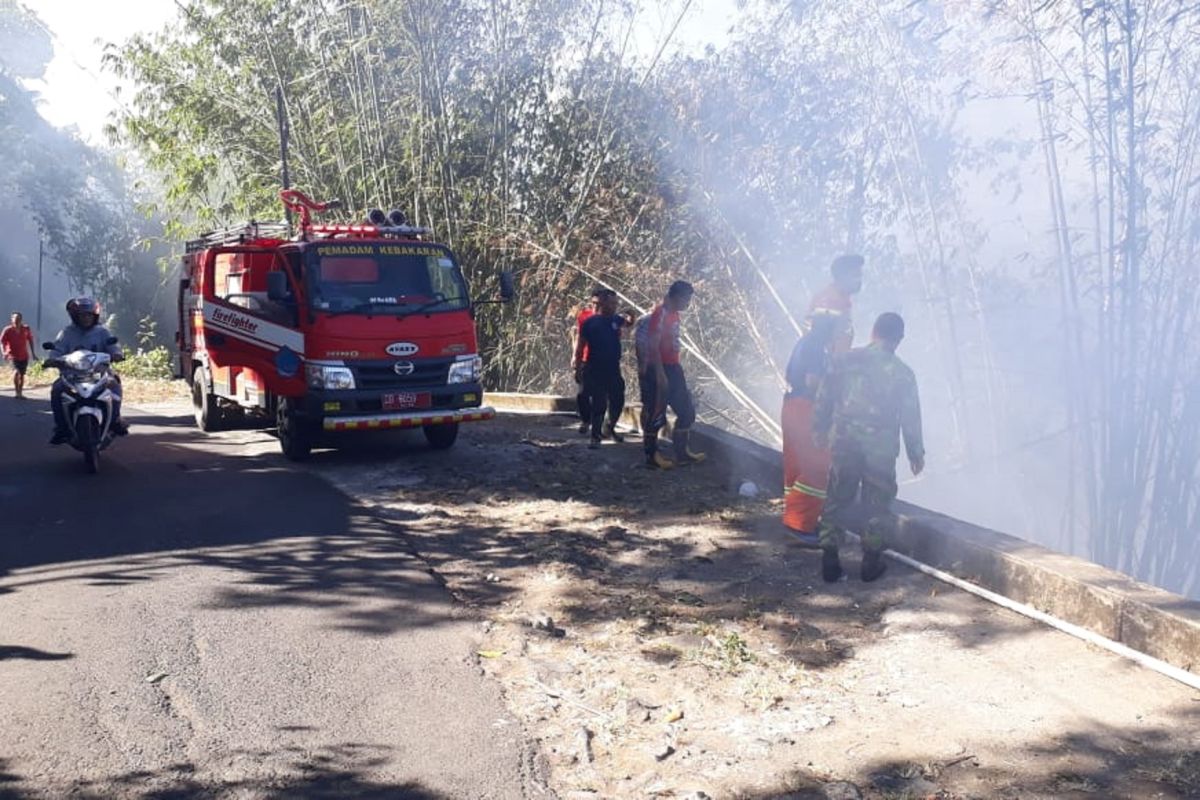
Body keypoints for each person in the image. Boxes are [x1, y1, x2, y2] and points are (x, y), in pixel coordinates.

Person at [813, 312, 924, 583]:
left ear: (873, 331)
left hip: (844, 441)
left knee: (838, 497)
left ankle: (829, 559)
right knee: (878, 504)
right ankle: (871, 564)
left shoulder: (843, 360)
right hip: (881, 449)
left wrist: (819, 429)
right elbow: (911, 417)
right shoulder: (903, 373)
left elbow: (824, 397)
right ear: (899, 339)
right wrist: (915, 453)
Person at [780, 314, 838, 546]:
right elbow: (813, 381)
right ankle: (800, 524)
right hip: (807, 407)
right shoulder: (816, 346)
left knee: (797, 463)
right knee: (819, 464)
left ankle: (798, 519)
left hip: (792, 405)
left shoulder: (804, 342)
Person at [636, 280, 705, 469]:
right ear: (676, 297)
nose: (688, 303)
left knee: (686, 411)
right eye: (687, 298)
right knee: (656, 413)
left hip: (674, 368)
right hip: (659, 369)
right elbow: (653, 345)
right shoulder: (661, 314)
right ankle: (652, 456)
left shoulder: (675, 315)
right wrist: (659, 374)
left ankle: (682, 453)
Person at [47, 297, 126, 445]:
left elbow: (113, 346)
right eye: (82, 315)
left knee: (115, 384)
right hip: (72, 375)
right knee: (57, 389)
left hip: (100, 372)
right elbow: (57, 349)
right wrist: (52, 359)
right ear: (75, 317)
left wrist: (117, 354)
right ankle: (61, 428)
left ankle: (115, 420)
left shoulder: (102, 332)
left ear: (95, 316)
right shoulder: (67, 333)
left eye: (89, 315)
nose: (86, 318)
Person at [574, 289, 629, 448]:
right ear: (603, 303)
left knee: (618, 398)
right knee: (599, 401)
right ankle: (595, 437)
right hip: (594, 366)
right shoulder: (590, 323)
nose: (615, 305)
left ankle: (609, 427)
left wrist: (631, 315)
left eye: (615, 303)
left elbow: (628, 323)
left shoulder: (616, 319)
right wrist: (578, 367)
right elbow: (580, 346)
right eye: (611, 303)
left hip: (613, 367)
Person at [807, 254, 863, 354]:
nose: (859, 280)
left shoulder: (843, 301)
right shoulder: (829, 302)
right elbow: (823, 344)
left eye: (860, 275)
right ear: (843, 276)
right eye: (856, 275)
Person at [571, 288, 602, 434]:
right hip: (585, 358)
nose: (596, 306)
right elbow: (578, 337)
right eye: (594, 303)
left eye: (599, 304)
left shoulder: (610, 318)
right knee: (583, 393)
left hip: (602, 361)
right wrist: (574, 356)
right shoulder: (584, 316)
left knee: (600, 395)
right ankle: (585, 420)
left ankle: (598, 424)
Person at [1, 311, 36, 398]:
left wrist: (33, 353)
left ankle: (20, 393)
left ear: (21, 319)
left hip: (24, 355)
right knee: (16, 372)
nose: (16, 320)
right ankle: (17, 392)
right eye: (15, 318)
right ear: (11, 319)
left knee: (22, 374)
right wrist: (4, 352)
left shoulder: (26, 328)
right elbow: (2, 342)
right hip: (12, 355)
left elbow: (30, 340)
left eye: (18, 319)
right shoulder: (8, 330)